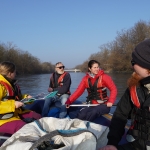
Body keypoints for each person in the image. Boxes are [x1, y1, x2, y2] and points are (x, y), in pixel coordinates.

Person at [99, 38, 150, 150]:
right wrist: (112, 143)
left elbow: (113, 89)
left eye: (134, 62)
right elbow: (120, 114)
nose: (132, 66)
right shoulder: (134, 87)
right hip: (135, 145)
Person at [0, 61, 41, 134]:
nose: (16, 74)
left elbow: (16, 97)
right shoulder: (1, 85)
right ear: (10, 73)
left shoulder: (11, 83)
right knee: (25, 128)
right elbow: (11, 102)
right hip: (3, 119)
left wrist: (26, 97)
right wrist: (13, 104)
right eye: (15, 72)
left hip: (15, 113)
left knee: (37, 116)